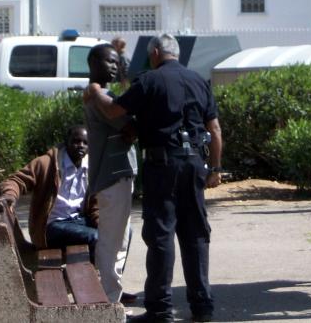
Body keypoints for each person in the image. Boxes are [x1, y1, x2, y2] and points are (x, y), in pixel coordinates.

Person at [85, 33, 222, 323]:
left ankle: (160, 309)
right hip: (196, 163)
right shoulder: (199, 80)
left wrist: (95, 91)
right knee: (196, 235)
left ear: (156, 52)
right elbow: (216, 130)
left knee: (161, 235)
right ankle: (203, 307)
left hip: (163, 164)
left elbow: (113, 109)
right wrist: (216, 170)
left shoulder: (149, 80)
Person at [83, 43, 138, 303]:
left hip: (118, 177)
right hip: (111, 178)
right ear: (93, 63)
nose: (115, 66)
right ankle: (107, 300)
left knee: (120, 240)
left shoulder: (104, 93)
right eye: (109, 61)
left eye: (117, 62)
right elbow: (128, 126)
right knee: (111, 242)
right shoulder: (98, 97)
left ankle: (111, 294)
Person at [0, 126, 99, 260]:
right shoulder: (46, 163)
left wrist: (102, 223)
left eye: (85, 143)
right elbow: (17, 180)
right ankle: (89, 278)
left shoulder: (91, 169)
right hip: (52, 226)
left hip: (78, 222)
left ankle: (101, 276)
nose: (81, 146)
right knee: (96, 237)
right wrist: (10, 195)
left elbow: (95, 205)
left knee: (123, 234)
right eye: (76, 141)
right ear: (66, 141)